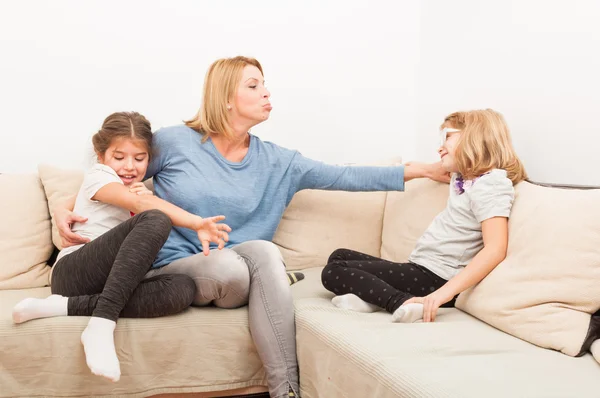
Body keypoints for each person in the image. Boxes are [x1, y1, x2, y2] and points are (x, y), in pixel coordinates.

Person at [55, 57, 450, 398]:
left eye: (265, 85)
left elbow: (346, 175)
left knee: (261, 252)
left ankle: (286, 389)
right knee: (234, 266)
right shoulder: (175, 143)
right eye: (253, 85)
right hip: (171, 269)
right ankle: (277, 279)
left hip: (238, 270)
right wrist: (63, 206)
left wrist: (425, 170)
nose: (266, 93)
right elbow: (119, 175)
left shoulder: (280, 162)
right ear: (226, 97)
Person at [12, 112, 230, 383]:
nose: (130, 166)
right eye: (119, 157)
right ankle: (101, 325)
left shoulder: (135, 190)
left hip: (105, 285)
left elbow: (90, 201)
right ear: (101, 155)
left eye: (139, 159)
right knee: (156, 218)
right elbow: (143, 209)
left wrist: (144, 198)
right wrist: (196, 223)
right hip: (72, 272)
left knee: (182, 289)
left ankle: (62, 307)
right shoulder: (99, 176)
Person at [322, 109, 527, 324]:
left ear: (475, 137)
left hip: (437, 278)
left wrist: (442, 294)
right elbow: (415, 167)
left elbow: (495, 249)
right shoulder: (463, 176)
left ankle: (402, 303)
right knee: (339, 256)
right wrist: (434, 166)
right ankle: (373, 299)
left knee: (333, 271)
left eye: (447, 137)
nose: (439, 147)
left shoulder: (491, 185)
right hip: (421, 269)